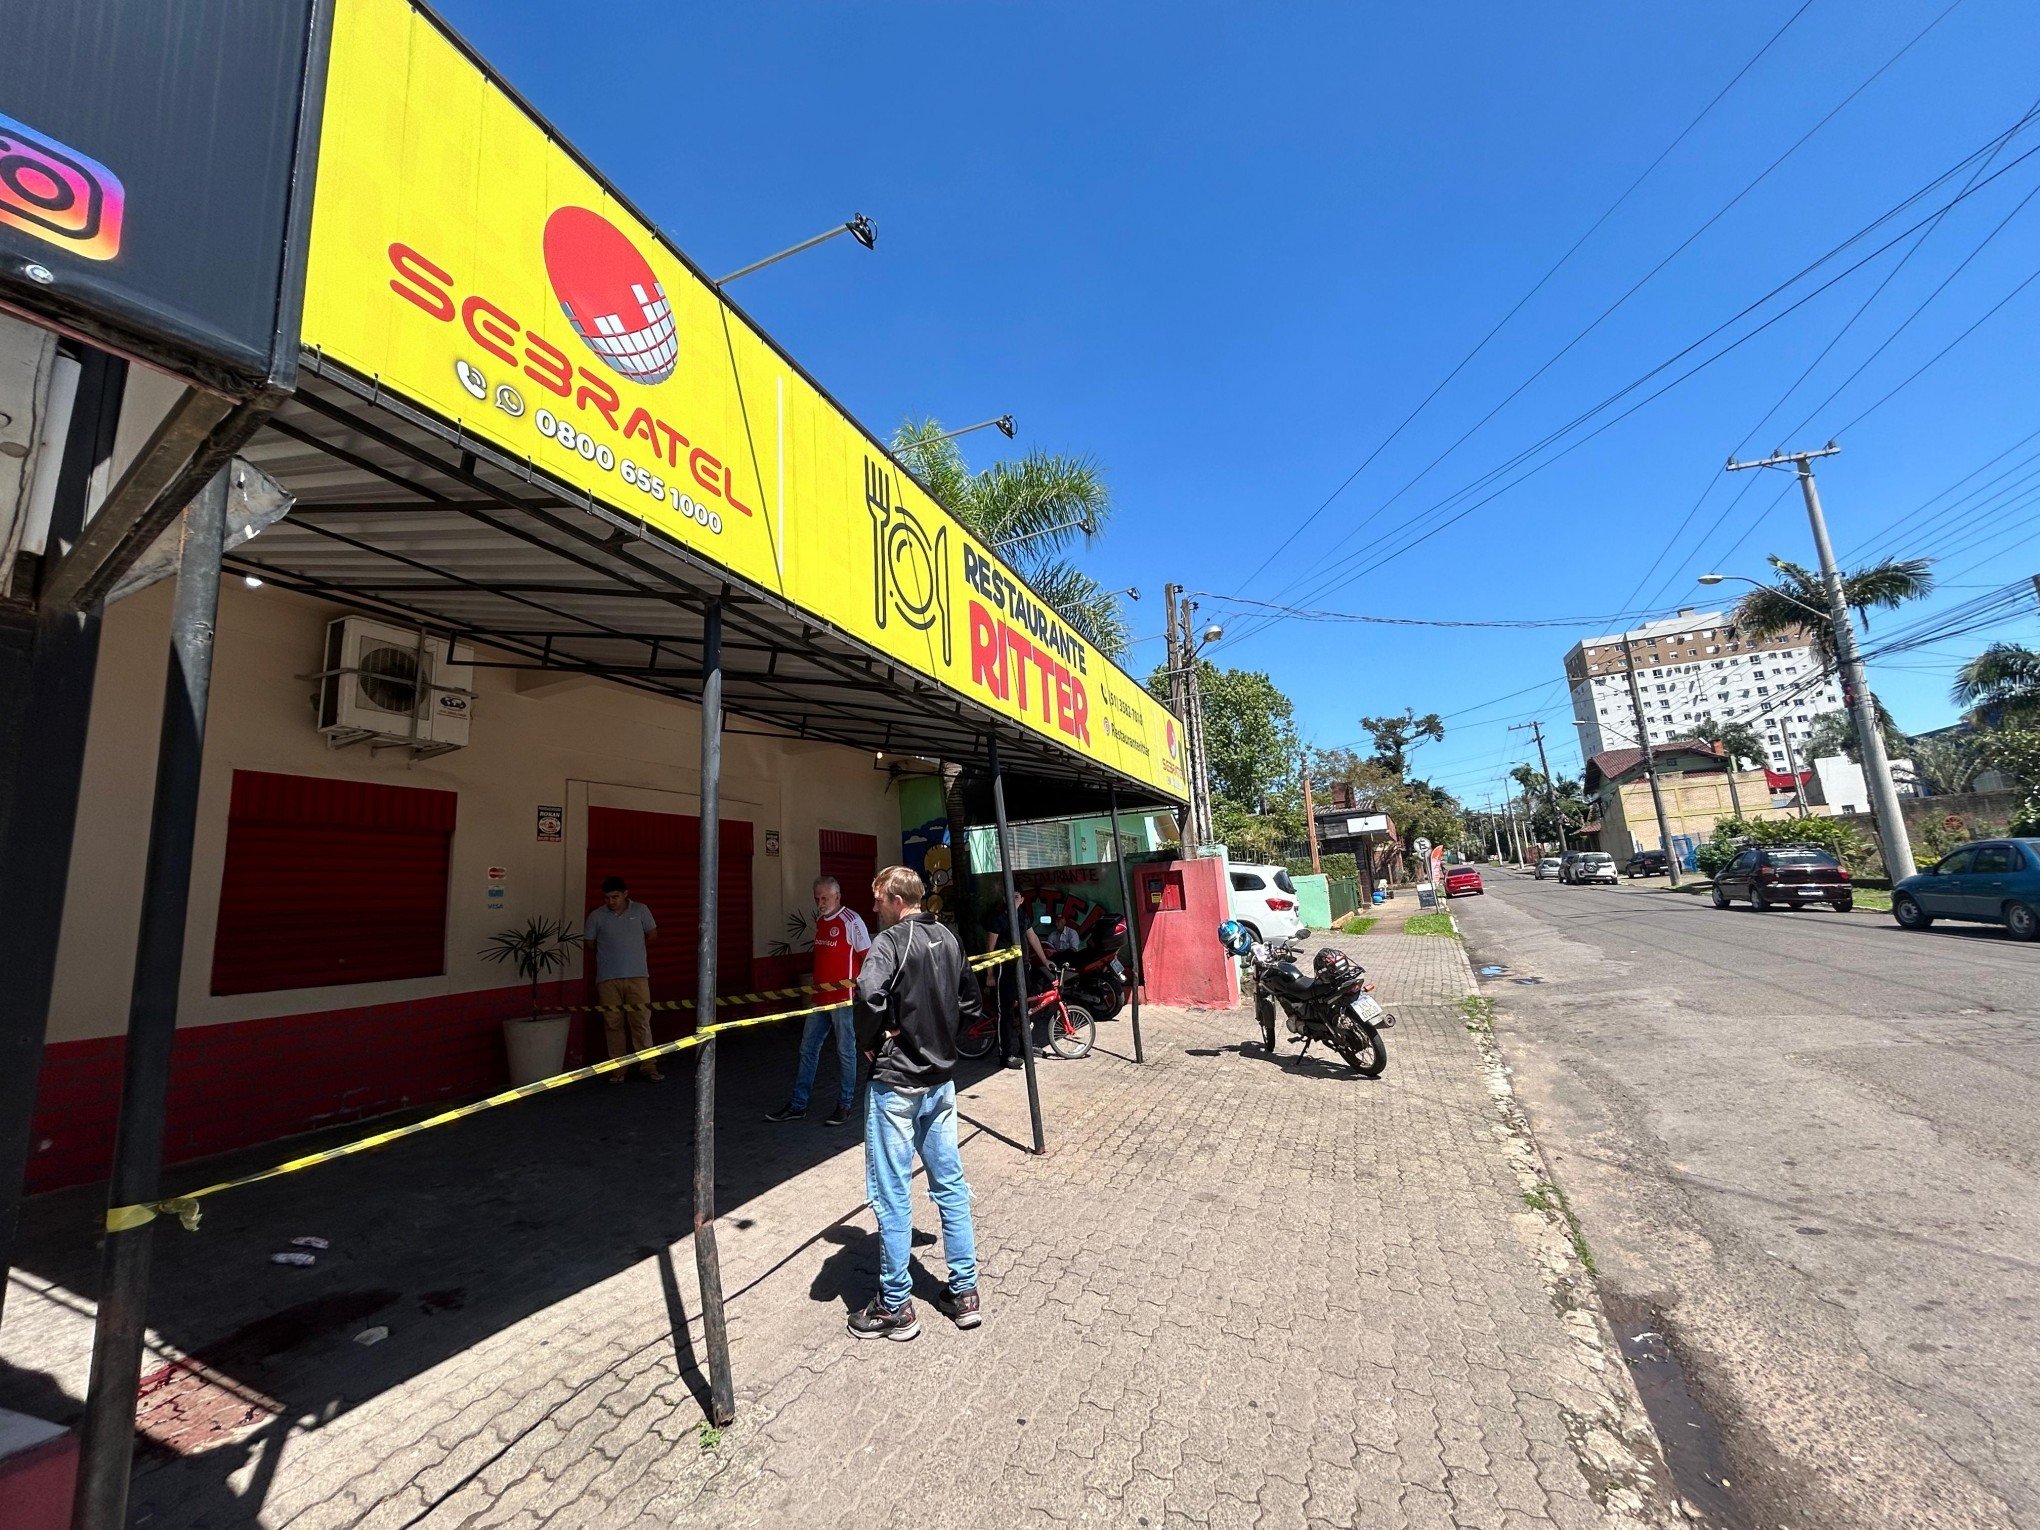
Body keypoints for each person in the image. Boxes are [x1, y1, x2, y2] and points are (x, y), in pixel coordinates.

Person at [848, 865, 983, 1341]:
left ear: (896, 899)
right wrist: (944, 1038)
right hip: (942, 1083)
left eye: (877, 898)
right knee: (949, 1184)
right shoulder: (947, 937)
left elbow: (867, 992)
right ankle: (965, 1294)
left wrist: (874, 1040)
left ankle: (895, 1305)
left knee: (892, 1193)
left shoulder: (889, 942)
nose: (873, 906)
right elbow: (972, 1001)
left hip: (898, 1086)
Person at [766, 876, 871, 1126]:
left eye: (824, 898)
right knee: (808, 1050)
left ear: (837, 896)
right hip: (819, 1000)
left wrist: (863, 992)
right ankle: (798, 1104)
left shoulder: (851, 920)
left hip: (843, 1001)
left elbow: (868, 957)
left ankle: (845, 1105)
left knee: (845, 1053)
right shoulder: (820, 921)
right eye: (817, 898)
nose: (820, 902)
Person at [583, 875, 661, 1082]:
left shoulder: (641, 910)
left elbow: (652, 935)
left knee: (641, 1022)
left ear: (626, 894)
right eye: (607, 898)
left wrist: (633, 950)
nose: (611, 902)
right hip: (608, 979)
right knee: (612, 1023)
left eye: (615, 897)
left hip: (638, 976)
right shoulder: (596, 916)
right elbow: (589, 943)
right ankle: (618, 1069)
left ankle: (648, 1066)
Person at [983, 888, 1051, 1069]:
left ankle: (1025, 1046)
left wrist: (1045, 961)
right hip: (1004, 970)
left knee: (1025, 1009)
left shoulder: (1022, 915)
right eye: (1010, 897)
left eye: (1017, 896)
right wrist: (989, 974)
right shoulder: (998, 918)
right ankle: (1005, 1055)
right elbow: (990, 947)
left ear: (1021, 899)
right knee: (1005, 1013)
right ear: (1005, 899)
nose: (1013, 900)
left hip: (1023, 968)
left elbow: (1033, 937)